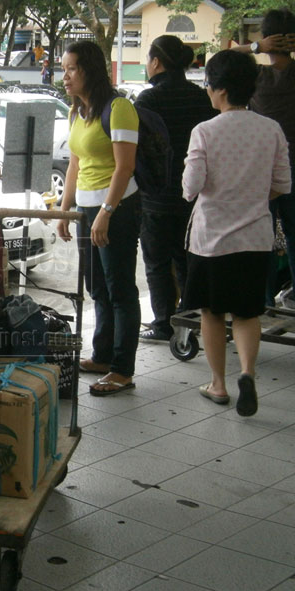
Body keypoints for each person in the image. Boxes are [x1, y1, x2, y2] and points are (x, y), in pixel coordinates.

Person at [182, 50, 291, 417]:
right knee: (246, 313)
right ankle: (247, 372)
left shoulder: (205, 131)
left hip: (212, 239)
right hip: (254, 238)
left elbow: (190, 187)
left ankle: (218, 384)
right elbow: (281, 184)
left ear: (220, 89)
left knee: (212, 313)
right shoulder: (270, 129)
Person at [57, 40, 140, 396]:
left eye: (71, 69)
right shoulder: (78, 111)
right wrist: (64, 209)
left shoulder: (118, 108)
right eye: (64, 69)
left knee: (120, 288)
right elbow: (75, 164)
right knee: (97, 287)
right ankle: (102, 356)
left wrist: (106, 212)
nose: (65, 77)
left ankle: (123, 369)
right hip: (87, 210)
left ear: (90, 69)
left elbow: (125, 167)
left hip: (116, 208)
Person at [134, 35, 217, 342]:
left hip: (156, 196)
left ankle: (163, 324)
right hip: (194, 195)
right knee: (187, 261)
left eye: (147, 59)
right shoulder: (200, 97)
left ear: (156, 62)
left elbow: (138, 150)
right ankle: (191, 322)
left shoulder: (147, 100)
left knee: (156, 264)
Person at [232, 8, 295, 307]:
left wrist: (255, 48)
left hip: (262, 170)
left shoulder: (255, 76)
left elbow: (223, 59)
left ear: (266, 38)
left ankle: (265, 299)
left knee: (263, 236)